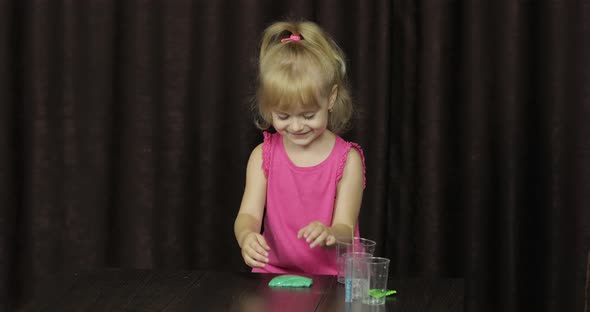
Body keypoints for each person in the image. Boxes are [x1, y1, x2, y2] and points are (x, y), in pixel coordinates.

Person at [234, 19, 366, 275]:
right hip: (273, 273)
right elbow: (248, 214)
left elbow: (346, 230)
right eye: (283, 116)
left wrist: (330, 233)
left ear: (331, 98)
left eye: (307, 115)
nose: (296, 127)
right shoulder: (263, 156)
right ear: (267, 107)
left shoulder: (348, 160)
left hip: (333, 279)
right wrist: (246, 236)